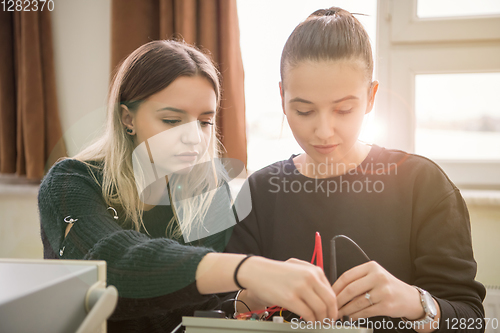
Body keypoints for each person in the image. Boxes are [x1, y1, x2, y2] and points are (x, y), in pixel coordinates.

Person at [38, 40, 338, 333]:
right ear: (127, 118)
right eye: (172, 120)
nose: (194, 138)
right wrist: (248, 268)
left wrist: (245, 300)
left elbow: (194, 311)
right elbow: (107, 267)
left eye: (205, 121)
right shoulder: (69, 183)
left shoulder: (209, 189)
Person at [225, 7, 486, 333]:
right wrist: (250, 297)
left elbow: (471, 320)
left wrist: (414, 302)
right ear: (282, 97)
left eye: (344, 109)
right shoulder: (260, 192)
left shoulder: (423, 185)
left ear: (371, 97)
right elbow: (215, 308)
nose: (323, 131)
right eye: (304, 110)